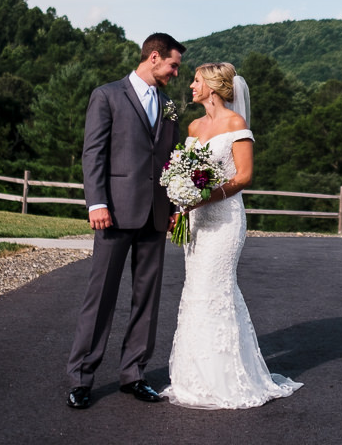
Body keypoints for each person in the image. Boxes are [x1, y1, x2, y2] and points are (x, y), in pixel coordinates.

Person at [161, 62, 302, 409]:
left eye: (195, 81)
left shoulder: (236, 124)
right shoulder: (193, 126)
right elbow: (184, 172)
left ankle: (228, 378)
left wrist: (206, 196)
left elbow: (243, 177)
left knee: (215, 289)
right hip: (195, 220)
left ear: (211, 86)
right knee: (194, 291)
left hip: (224, 219)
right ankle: (193, 377)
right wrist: (180, 205)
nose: (190, 86)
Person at [65, 33, 186, 410]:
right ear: (154, 57)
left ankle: (134, 374)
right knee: (100, 297)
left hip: (155, 214)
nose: (176, 73)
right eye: (173, 65)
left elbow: (171, 161)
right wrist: (96, 202)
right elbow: (93, 153)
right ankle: (81, 378)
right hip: (113, 212)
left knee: (146, 299)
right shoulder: (107, 95)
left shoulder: (170, 107)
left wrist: (175, 206)